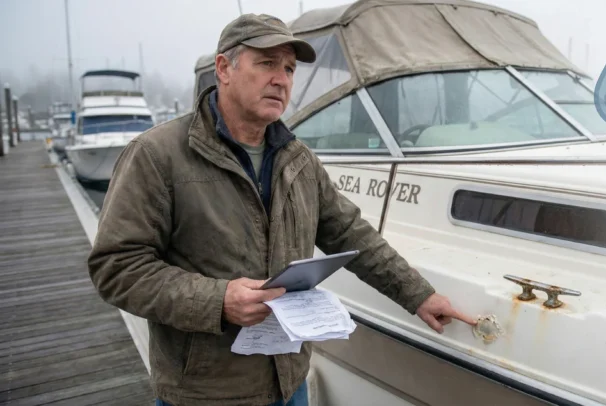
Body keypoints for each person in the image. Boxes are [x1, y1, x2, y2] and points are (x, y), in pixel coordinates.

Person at [87, 13, 476, 406]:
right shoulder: (157, 156)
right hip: (206, 394)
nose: (282, 79)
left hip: (290, 383)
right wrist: (218, 299)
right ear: (224, 68)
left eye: (289, 68)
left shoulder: (299, 160)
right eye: (267, 63)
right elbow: (116, 267)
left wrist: (419, 295)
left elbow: (351, 234)